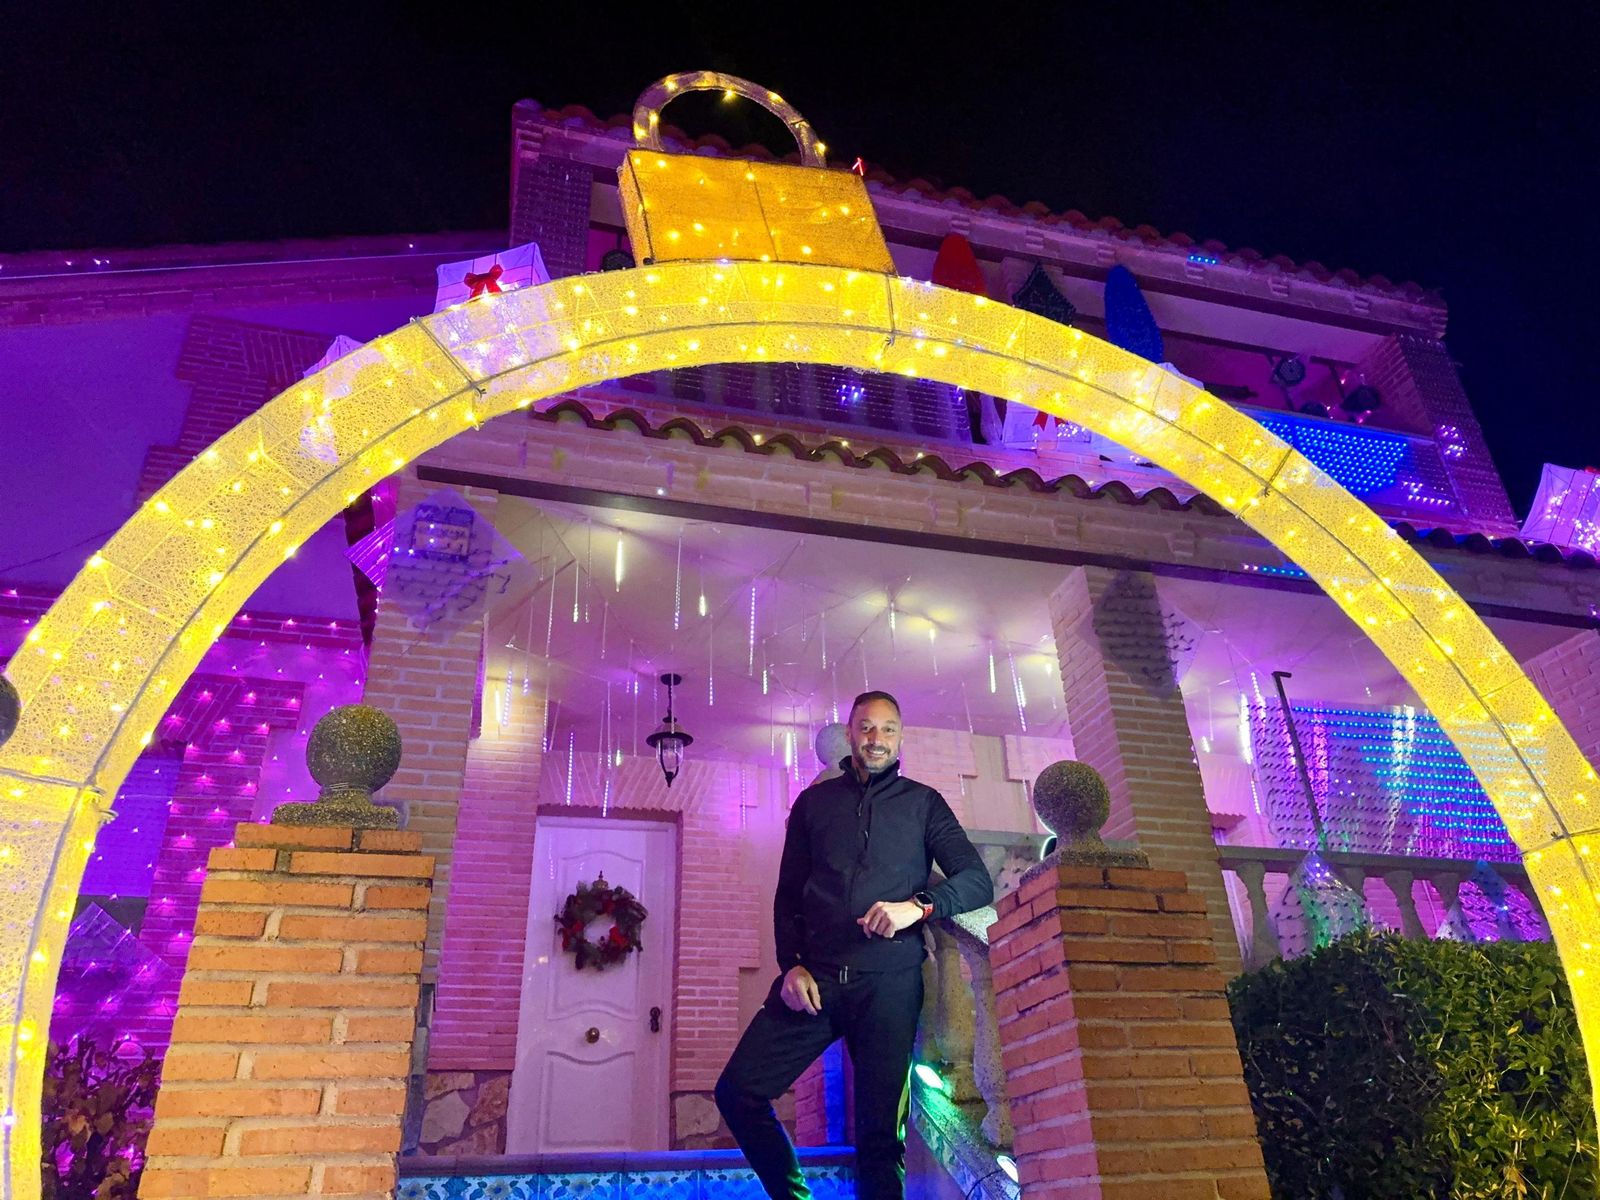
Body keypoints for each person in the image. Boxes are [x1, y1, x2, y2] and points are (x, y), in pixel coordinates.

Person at [715, 690, 995, 1200]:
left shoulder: (923, 804)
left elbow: (977, 881)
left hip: (890, 986)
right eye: (867, 727)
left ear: (901, 737)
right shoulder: (814, 803)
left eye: (888, 729)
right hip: (816, 979)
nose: (877, 739)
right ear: (850, 733)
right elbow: (788, 895)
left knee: (880, 1136)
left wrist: (919, 905)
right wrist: (789, 966)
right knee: (737, 1092)